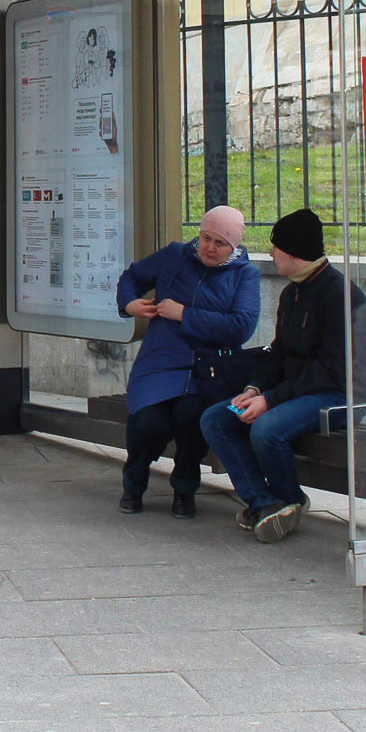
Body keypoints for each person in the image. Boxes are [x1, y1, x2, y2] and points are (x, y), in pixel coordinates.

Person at [198, 208, 366, 544]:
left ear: (293, 251)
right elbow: (279, 352)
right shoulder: (293, 291)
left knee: (267, 429)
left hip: (337, 394)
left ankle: (291, 500)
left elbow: (331, 370)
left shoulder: (338, 294)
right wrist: (256, 388)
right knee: (216, 418)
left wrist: (271, 400)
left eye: (275, 246)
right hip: (293, 392)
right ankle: (265, 503)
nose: (270, 253)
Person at [114, 205, 261, 519]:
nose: (209, 247)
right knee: (147, 423)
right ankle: (133, 483)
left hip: (208, 371)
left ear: (233, 246)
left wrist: (184, 314)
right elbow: (132, 276)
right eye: (205, 237)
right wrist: (129, 304)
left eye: (220, 243)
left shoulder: (245, 274)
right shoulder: (175, 256)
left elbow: (242, 326)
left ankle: (184, 490)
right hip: (160, 362)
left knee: (192, 418)